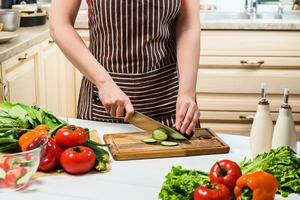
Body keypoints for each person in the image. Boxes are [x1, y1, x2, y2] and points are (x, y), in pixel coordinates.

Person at [50, 0, 200, 135]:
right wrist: (104, 83)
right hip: (103, 105)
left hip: (170, 106)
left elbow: (188, 26)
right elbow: (59, 24)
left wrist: (187, 93)